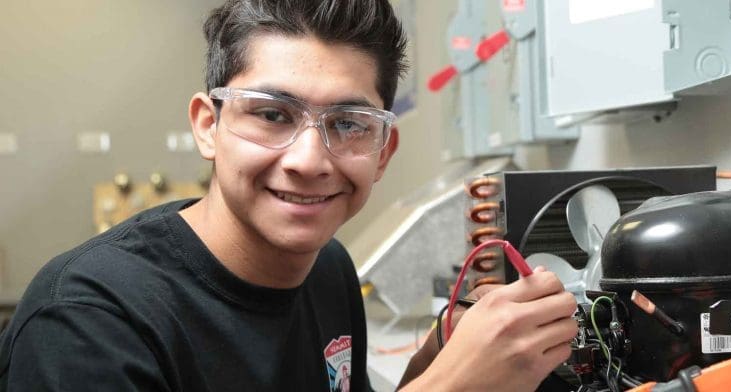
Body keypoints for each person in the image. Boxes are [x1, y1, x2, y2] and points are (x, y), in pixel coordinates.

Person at [0, 0, 578, 390]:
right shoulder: (88, 323)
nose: (308, 160)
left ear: (384, 151)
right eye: (273, 114)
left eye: (349, 123)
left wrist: (440, 358)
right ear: (208, 125)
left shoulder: (326, 268)